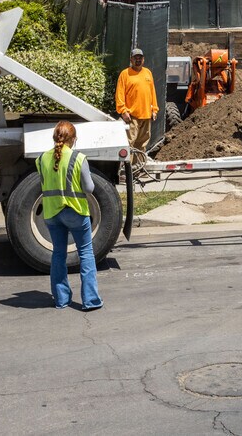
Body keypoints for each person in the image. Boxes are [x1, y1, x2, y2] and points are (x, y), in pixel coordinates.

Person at [37, 121, 102, 310]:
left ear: (54, 138)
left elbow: (43, 184)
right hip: (75, 211)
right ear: (73, 139)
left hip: (52, 213)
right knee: (86, 253)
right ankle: (91, 300)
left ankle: (61, 299)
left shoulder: (41, 159)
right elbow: (89, 188)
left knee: (58, 254)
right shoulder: (78, 158)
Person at [115, 47, 159, 154]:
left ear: (143, 59)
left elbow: (152, 92)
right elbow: (119, 94)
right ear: (131, 60)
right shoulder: (125, 74)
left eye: (140, 58)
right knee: (129, 143)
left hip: (146, 115)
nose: (138, 60)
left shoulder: (148, 73)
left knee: (142, 144)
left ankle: (138, 168)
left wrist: (154, 110)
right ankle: (127, 168)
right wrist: (123, 111)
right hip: (132, 116)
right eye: (135, 58)